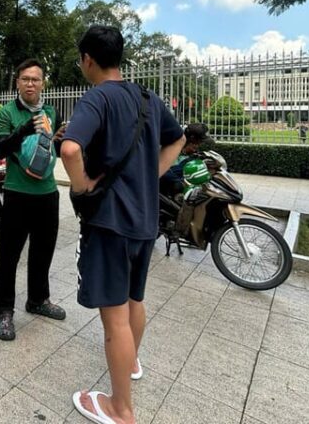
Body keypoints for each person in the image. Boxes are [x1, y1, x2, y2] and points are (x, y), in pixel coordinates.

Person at [61, 26, 185, 424]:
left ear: (88, 60)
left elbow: (69, 148)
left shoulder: (96, 97)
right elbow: (177, 139)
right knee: (135, 300)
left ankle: (121, 408)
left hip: (110, 222)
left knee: (113, 317)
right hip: (146, 222)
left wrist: (82, 188)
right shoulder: (147, 98)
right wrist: (151, 173)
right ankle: (130, 365)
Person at [0, 58, 67, 341]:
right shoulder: (6, 113)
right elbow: (0, 149)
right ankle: (4, 310)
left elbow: (54, 149)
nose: (31, 84)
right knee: (8, 256)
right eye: (25, 79)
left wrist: (60, 137)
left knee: (43, 251)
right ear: (17, 82)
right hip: (17, 193)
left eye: (36, 79)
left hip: (47, 193)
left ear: (43, 83)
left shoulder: (51, 111)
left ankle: (37, 300)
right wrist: (25, 129)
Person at [160, 123, 210, 196]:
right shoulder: (173, 147)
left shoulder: (193, 154)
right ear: (192, 138)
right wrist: (182, 182)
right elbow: (165, 170)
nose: (200, 143)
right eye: (200, 140)